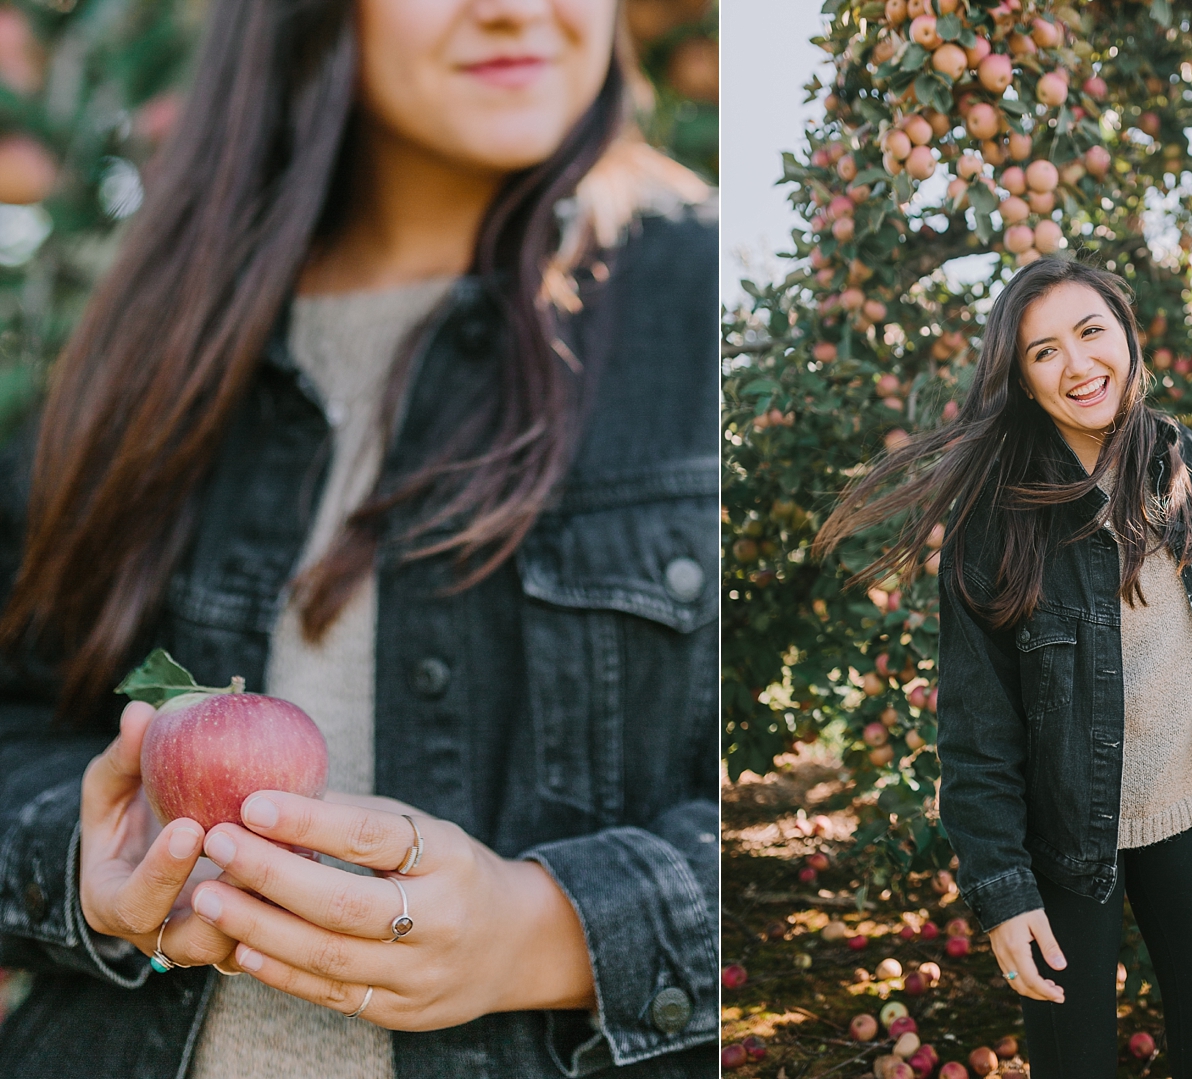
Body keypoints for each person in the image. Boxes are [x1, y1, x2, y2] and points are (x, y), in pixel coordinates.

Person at [0, 2, 717, 1077]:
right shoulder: (159, 347)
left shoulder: (706, 306)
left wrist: (551, 927)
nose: (517, 9)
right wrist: (84, 857)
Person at [817, 258, 1192, 1077]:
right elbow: (975, 730)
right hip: (1066, 838)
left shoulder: (1178, 460)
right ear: (1023, 380)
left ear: (1127, 336)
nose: (1077, 364)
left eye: (1090, 331)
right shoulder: (994, 526)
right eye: (1044, 352)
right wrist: (1003, 890)